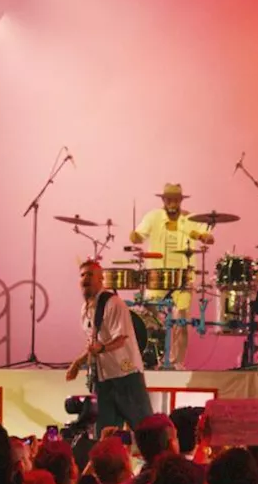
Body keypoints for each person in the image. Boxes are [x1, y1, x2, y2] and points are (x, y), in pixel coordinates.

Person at [129, 183, 214, 370]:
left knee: (180, 319)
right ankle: (150, 358)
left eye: (176, 199)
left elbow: (207, 235)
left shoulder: (190, 218)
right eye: (169, 199)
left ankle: (176, 362)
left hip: (183, 277)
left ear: (181, 200)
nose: (172, 203)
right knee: (148, 316)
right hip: (158, 277)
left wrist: (205, 237)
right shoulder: (153, 217)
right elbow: (139, 235)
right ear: (163, 200)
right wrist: (135, 236)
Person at [66, 260, 154, 435]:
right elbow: (94, 345)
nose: (85, 279)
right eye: (82, 275)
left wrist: (101, 349)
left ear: (101, 280)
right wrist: (77, 363)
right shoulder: (85, 309)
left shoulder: (113, 303)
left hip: (126, 376)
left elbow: (120, 339)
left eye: (90, 275)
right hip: (103, 380)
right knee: (104, 434)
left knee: (146, 431)